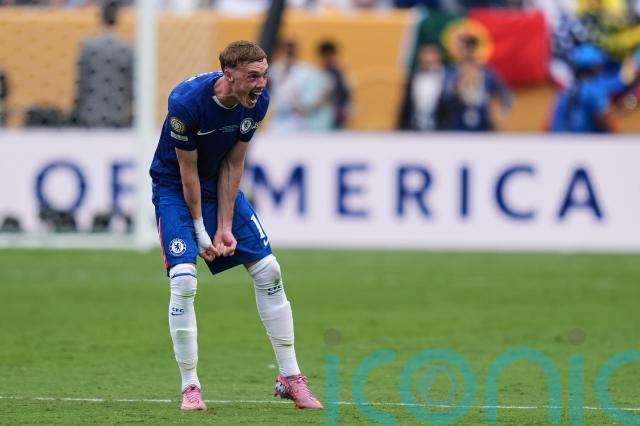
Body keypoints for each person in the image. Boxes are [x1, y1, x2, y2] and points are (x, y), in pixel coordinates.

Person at [149, 40, 323, 412]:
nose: (261, 84)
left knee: (269, 269)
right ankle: (190, 386)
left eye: (265, 75)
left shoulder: (257, 102)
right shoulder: (185, 103)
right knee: (183, 280)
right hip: (174, 188)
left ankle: (290, 377)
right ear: (229, 75)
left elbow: (233, 163)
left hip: (217, 184)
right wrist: (201, 232)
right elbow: (187, 172)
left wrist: (225, 226)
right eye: (253, 76)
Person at [71, 0, 133, 128]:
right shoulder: (126, 48)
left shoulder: (88, 47)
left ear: (101, 18)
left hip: (91, 113)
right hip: (120, 114)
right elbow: (132, 84)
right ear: (117, 19)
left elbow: (81, 82)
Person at [549, 43, 617, 132]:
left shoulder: (564, 91)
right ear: (595, 69)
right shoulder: (595, 92)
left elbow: (549, 124)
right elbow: (606, 120)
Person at [317, 40, 352, 129]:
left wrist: (346, 110)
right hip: (321, 116)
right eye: (325, 55)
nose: (327, 58)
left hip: (337, 115)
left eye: (329, 55)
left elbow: (347, 93)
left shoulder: (340, 73)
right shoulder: (317, 73)